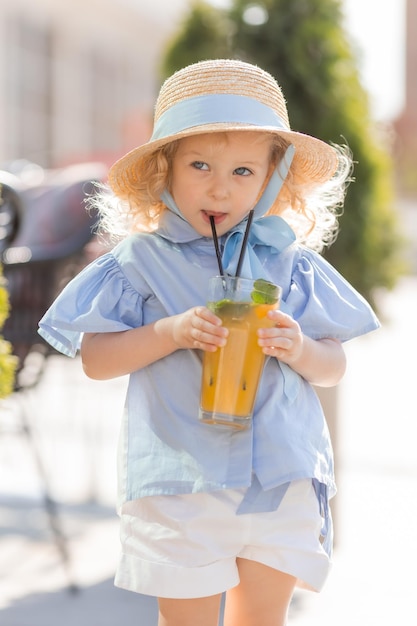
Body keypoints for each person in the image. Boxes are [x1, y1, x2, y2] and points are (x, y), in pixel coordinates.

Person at [38, 59, 380, 626]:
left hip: (277, 477)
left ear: (273, 176)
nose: (220, 186)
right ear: (163, 169)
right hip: (181, 483)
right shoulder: (139, 263)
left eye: (244, 171)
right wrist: (167, 333)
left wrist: (299, 347)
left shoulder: (289, 263)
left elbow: (332, 367)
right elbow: (96, 361)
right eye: (200, 165)